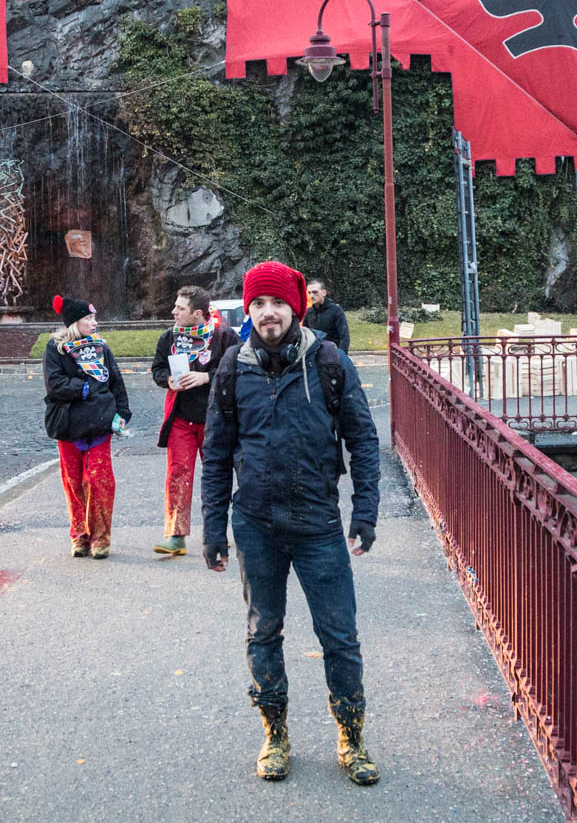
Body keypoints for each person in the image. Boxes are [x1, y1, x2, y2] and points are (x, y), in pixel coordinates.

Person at [202, 260, 383, 786]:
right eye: (257, 303)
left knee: (340, 637)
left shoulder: (328, 362)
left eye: (277, 303)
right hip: (256, 525)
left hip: (317, 524)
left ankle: (351, 737)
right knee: (263, 632)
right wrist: (214, 528)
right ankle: (274, 735)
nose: (267, 313)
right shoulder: (234, 367)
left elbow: (364, 441)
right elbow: (215, 456)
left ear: (296, 306)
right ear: (248, 309)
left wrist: (365, 512)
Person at [150, 285, 241, 557]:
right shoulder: (169, 337)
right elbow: (157, 369)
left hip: (215, 419)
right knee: (178, 474)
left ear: (198, 313)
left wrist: (208, 377)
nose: (173, 311)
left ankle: (218, 532)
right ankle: (176, 536)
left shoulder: (224, 336)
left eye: (180, 308)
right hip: (181, 419)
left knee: (217, 476)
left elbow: (238, 369)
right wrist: (166, 380)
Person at [43, 294, 131, 559]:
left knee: (100, 480)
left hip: (99, 424)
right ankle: (80, 535)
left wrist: (123, 413)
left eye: (94, 317)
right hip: (68, 425)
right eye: (88, 318)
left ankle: (101, 537)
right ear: (74, 323)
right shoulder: (56, 348)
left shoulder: (101, 347)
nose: (94, 323)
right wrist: (84, 388)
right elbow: (54, 383)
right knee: (73, 481)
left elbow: (115, 382)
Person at [304, 279, 351, 353]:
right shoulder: (308, 312)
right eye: (309, 293)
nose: (311, 296)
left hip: (333, 354)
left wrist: (342, 357)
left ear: (324, 292)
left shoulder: (336, 310)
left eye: (315, 292)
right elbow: (305, 337)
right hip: (315, 355)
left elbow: (344, 337)